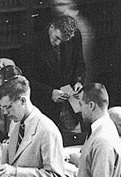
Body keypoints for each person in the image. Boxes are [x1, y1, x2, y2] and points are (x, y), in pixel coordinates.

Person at [24, 10, 85, 142]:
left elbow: (79, 63)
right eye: (56, 38)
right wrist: (49, 93)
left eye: (63, 41)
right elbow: (28, 79)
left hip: (70, 102)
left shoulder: (75, 37)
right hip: (46, 104)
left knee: (75, 141)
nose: (58, 43)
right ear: (52, 27)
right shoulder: (34, 43)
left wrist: (78, 81)